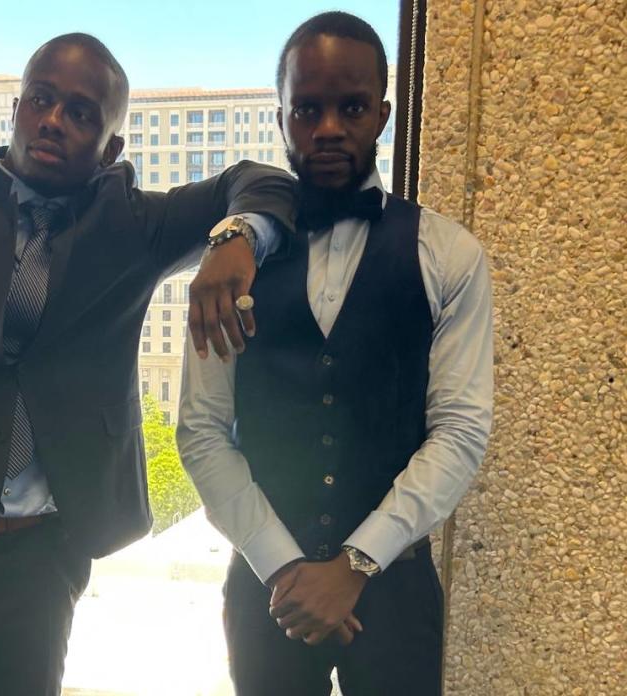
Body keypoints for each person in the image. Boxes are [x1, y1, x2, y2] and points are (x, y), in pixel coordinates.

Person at [0, 32, 295, 695]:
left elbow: (262, 180)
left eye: (82, 113)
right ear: (16, 106)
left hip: (43, 558)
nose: (53, 121)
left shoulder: (132, 226)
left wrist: (236, 236)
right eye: (41, 99)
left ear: (111, 148)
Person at [177, 12, 494, 696]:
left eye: (350, 107)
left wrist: (353, 565)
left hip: (397, 583)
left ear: (382, 113)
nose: (327, 128)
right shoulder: (233, 261)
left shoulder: (448, 253)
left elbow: (461, 430)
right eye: (307, 108)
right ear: (283, 116)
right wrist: (284, 566)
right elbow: (201, 431)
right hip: (268, 589)